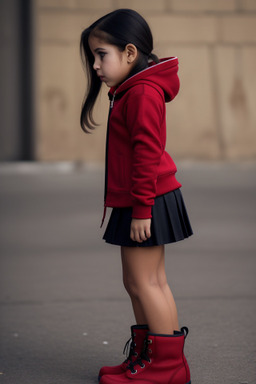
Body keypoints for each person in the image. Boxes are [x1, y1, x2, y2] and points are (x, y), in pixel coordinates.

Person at [80, 9, 192, 384]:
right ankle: (150, 359)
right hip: (141, 198)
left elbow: (147, 152)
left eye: (101, 55)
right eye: (93, 56)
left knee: (148, 282)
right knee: (140, 282)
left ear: (129, 52)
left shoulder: (142, 92)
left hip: (147, 198)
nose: (95, 65)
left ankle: (167, 368)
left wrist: (142, 209)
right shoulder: (131, 90)